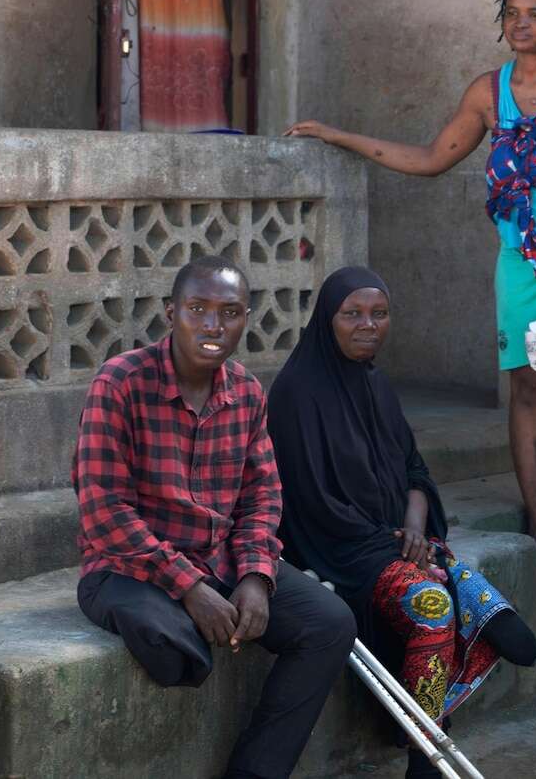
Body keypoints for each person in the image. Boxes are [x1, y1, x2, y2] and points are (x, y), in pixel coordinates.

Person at [285, 0, 536, 565]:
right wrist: (339, 136)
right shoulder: (488, 92)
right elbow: (431, 157)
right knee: (529, 389)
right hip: (522, 258)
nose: (521, 24)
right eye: (512, 13)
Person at [73, 255, 357, 779]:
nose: (212, 325)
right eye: (197, 309)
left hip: (221, 560)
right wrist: (189, 586)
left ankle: (255, 772)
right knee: (170, 644)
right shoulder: (120, 382)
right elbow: (103, 508)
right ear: (170, 313)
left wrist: (254, 574)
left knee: (330, 623)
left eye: (228, 312)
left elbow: (263, 495)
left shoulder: (246, 391)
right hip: (126, 566)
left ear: (245, 318)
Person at [267, 267, 536, 779]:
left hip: (392, 539)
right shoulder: (297, 393)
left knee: (429, 558)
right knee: (432, 607)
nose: (368, 325)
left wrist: (414, 525)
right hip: (335, 550)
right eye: (352, 314)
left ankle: (467, 602)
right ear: (327, 320)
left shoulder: (376, 384)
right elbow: (310, 503)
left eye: (380, 313)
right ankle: (427, 749)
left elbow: (414, 467)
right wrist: (393, 545)